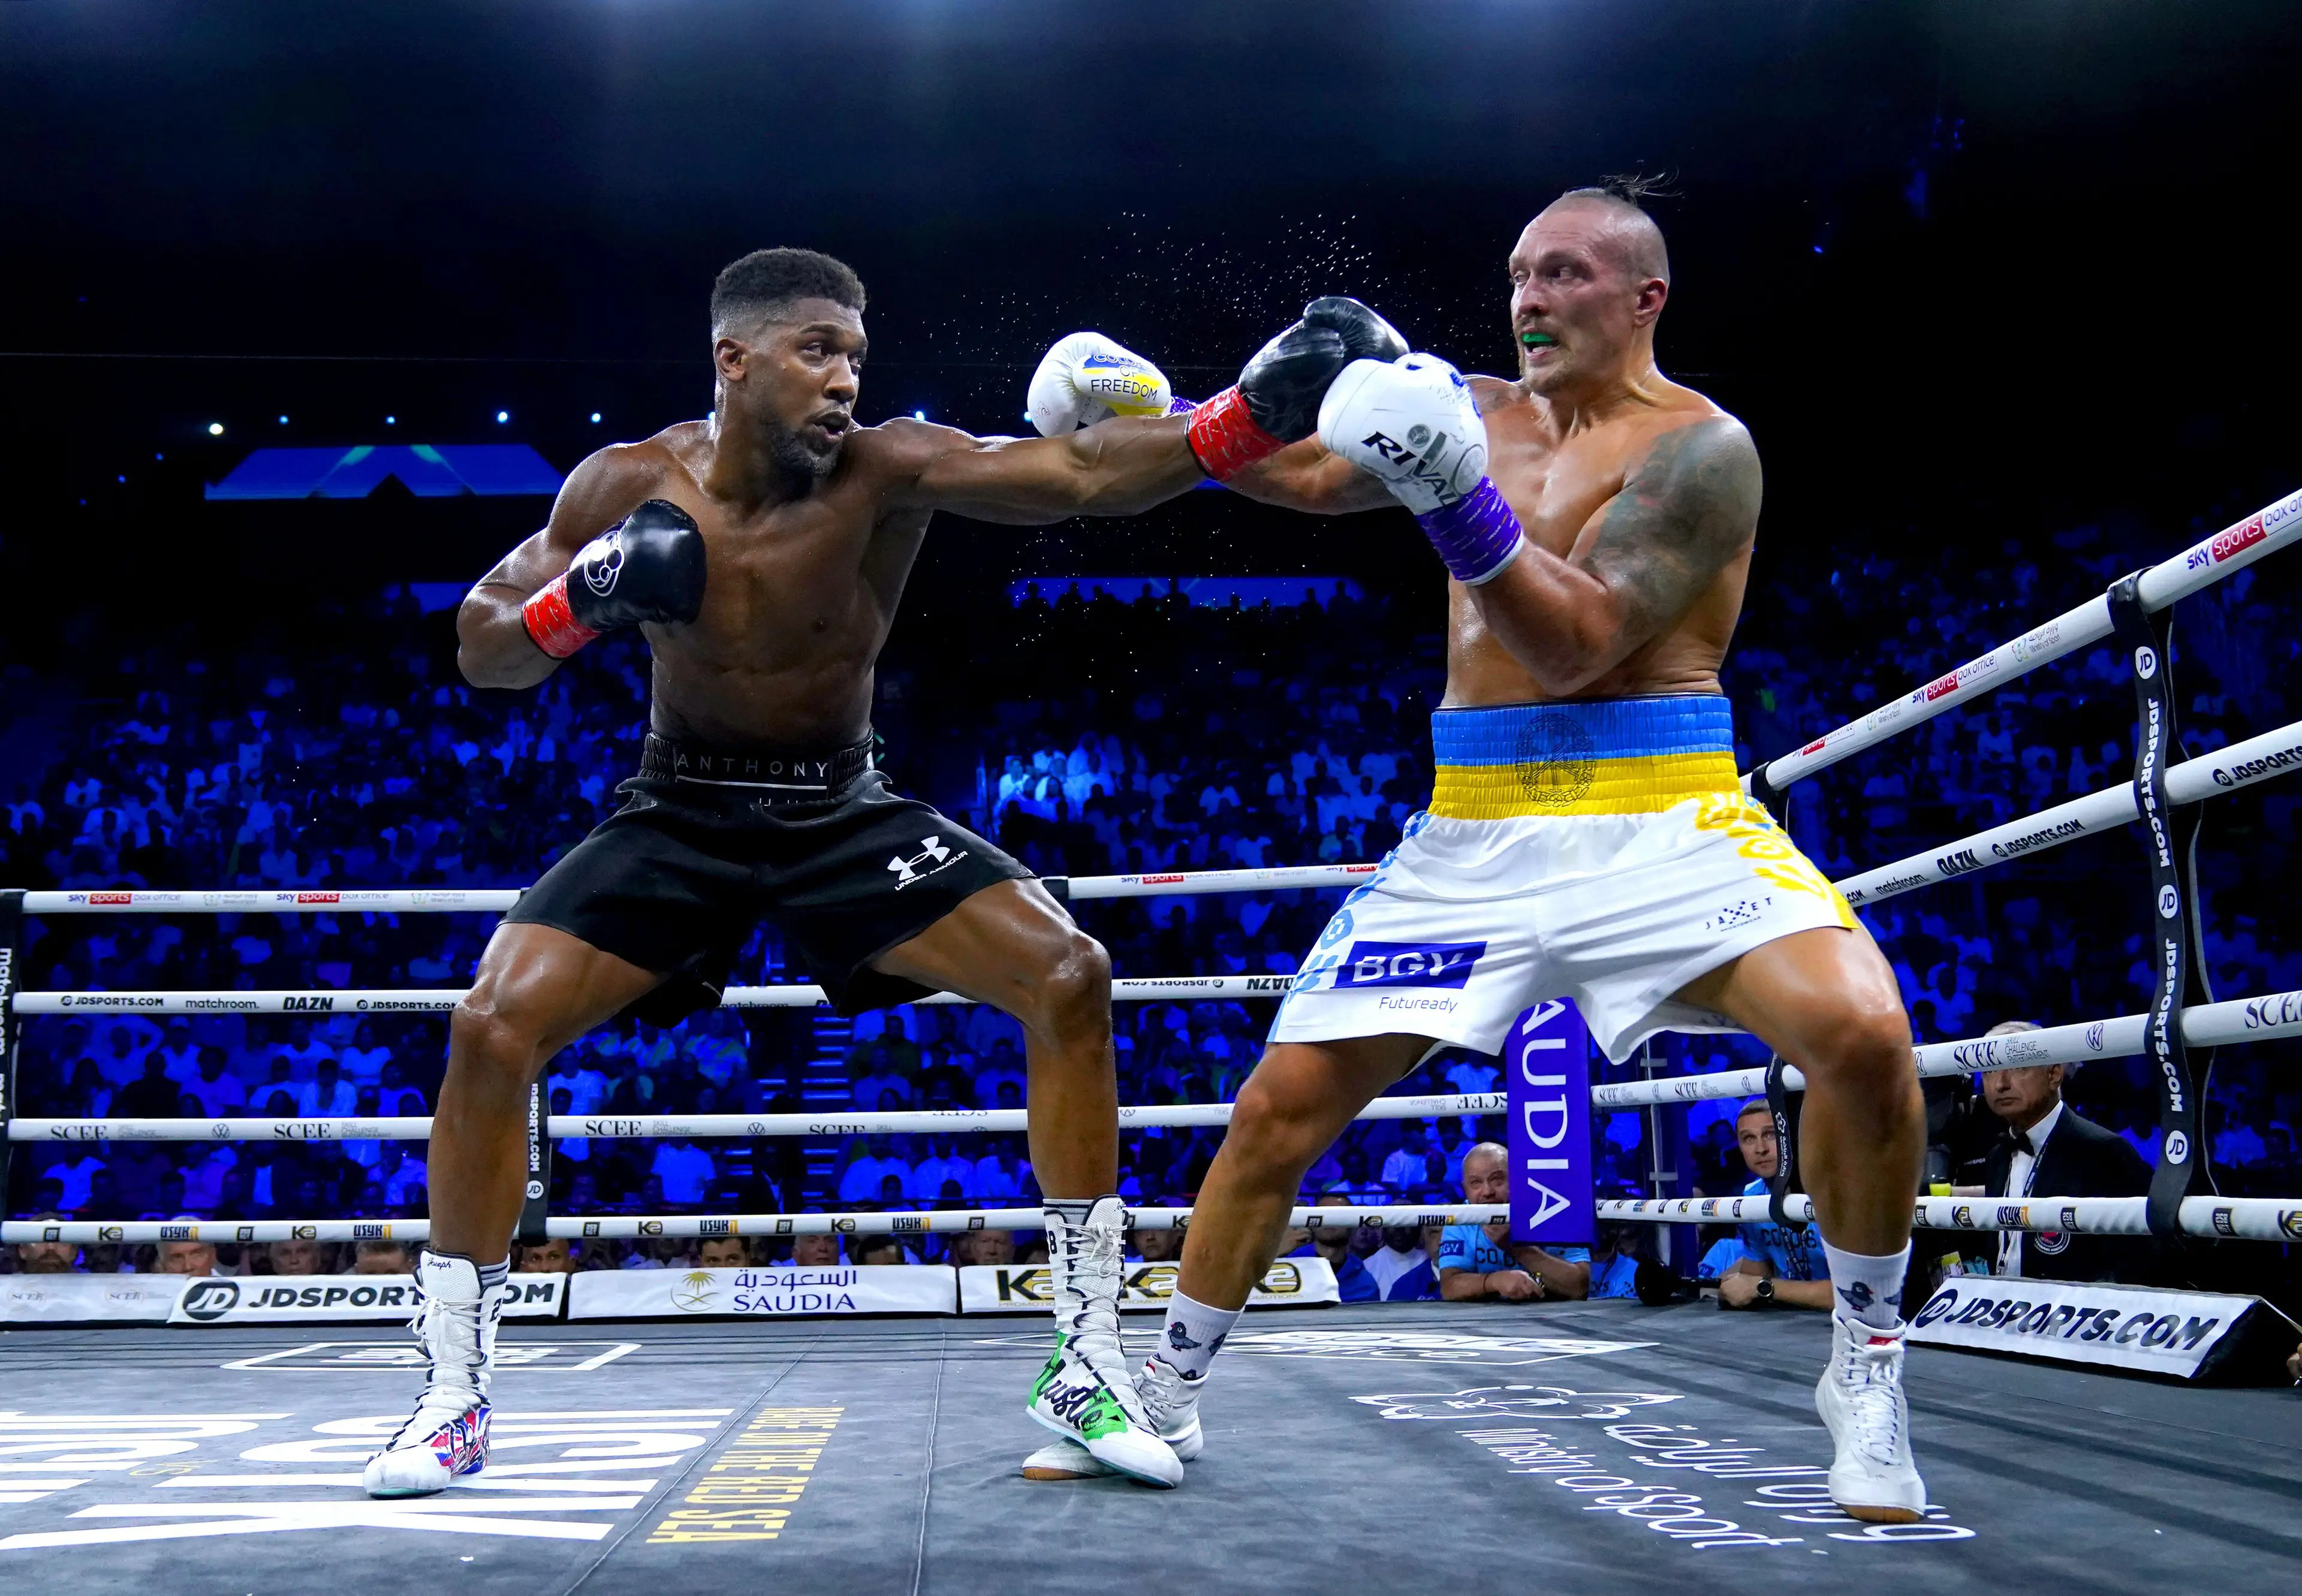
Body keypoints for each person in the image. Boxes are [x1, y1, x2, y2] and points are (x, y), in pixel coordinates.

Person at [359, 257, 1402, 1500]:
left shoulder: (890, 464)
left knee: (1068, 971)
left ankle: (1087, 1354)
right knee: (490, 1022)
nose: (846, 377)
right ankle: (452, 1394)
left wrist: (1246, 413)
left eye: (854, 350)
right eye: (816, 350)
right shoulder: (627, 481)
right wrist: (577, 603)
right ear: (733, 359)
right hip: (677, 808)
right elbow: (484, 649)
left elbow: (1075, 474)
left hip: (840, 805)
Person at [1114, 182, 1929, 1522]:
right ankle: (1166, 1385)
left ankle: (1868, 1364)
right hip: (1475, 827)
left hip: (1664, 808)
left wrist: (1450, 497)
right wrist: (1183, 411)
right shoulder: (1475, 409)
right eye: (1518, 277)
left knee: (1861, 1031)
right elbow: (1306, 474)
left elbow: (1578, 641)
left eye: (1564, 276)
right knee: (1277, 1109)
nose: (1531, 300)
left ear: (1644, 297)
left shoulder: (1705, 448)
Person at [1978, 1021, 2152, 1282]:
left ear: (2054, 1074)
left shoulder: (2103, 1151)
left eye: (2017, 1066)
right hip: (2005, 1314)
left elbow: (2138, 1260)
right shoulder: (1997, 1158)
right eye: (1990, 1070)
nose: (2000, 1084)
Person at [1432, 1143, 1593, 1303]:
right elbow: (1449, 1287)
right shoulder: (1462, 1218)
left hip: (1557, 1318)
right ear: (1465, 1188)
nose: (1488, 1192)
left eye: (1497, 1180)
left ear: (1516, 1179)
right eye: (1476, 1183)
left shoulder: (1556, 1209)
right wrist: (1495, 1281)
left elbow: (1579, 1288)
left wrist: (1518, 1248)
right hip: (1488, 1322)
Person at [1713, 1100, 1834, 1311]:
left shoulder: (1832, 1190)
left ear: (1791, 1137)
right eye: (1749, 1138)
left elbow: (1856, 1295)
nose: (1760, 1149)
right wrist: (1720, 1288)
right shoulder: (1753, 1197)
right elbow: (1756, 1270)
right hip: (1790, 1323)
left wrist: (1765, 1288)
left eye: (1771, 1134)